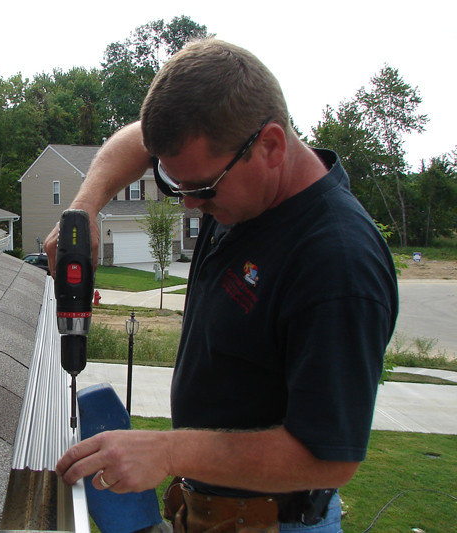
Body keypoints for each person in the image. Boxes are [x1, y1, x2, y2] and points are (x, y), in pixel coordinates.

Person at [46, 38, 398, 532]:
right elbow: (138, 141)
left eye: (202, 188)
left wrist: (167, 450)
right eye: (177, 186)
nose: (190, 206)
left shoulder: (336, 263)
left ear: (271, 146)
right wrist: (82, 208)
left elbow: (328, 457)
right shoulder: (239, 184)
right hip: (207, 513)